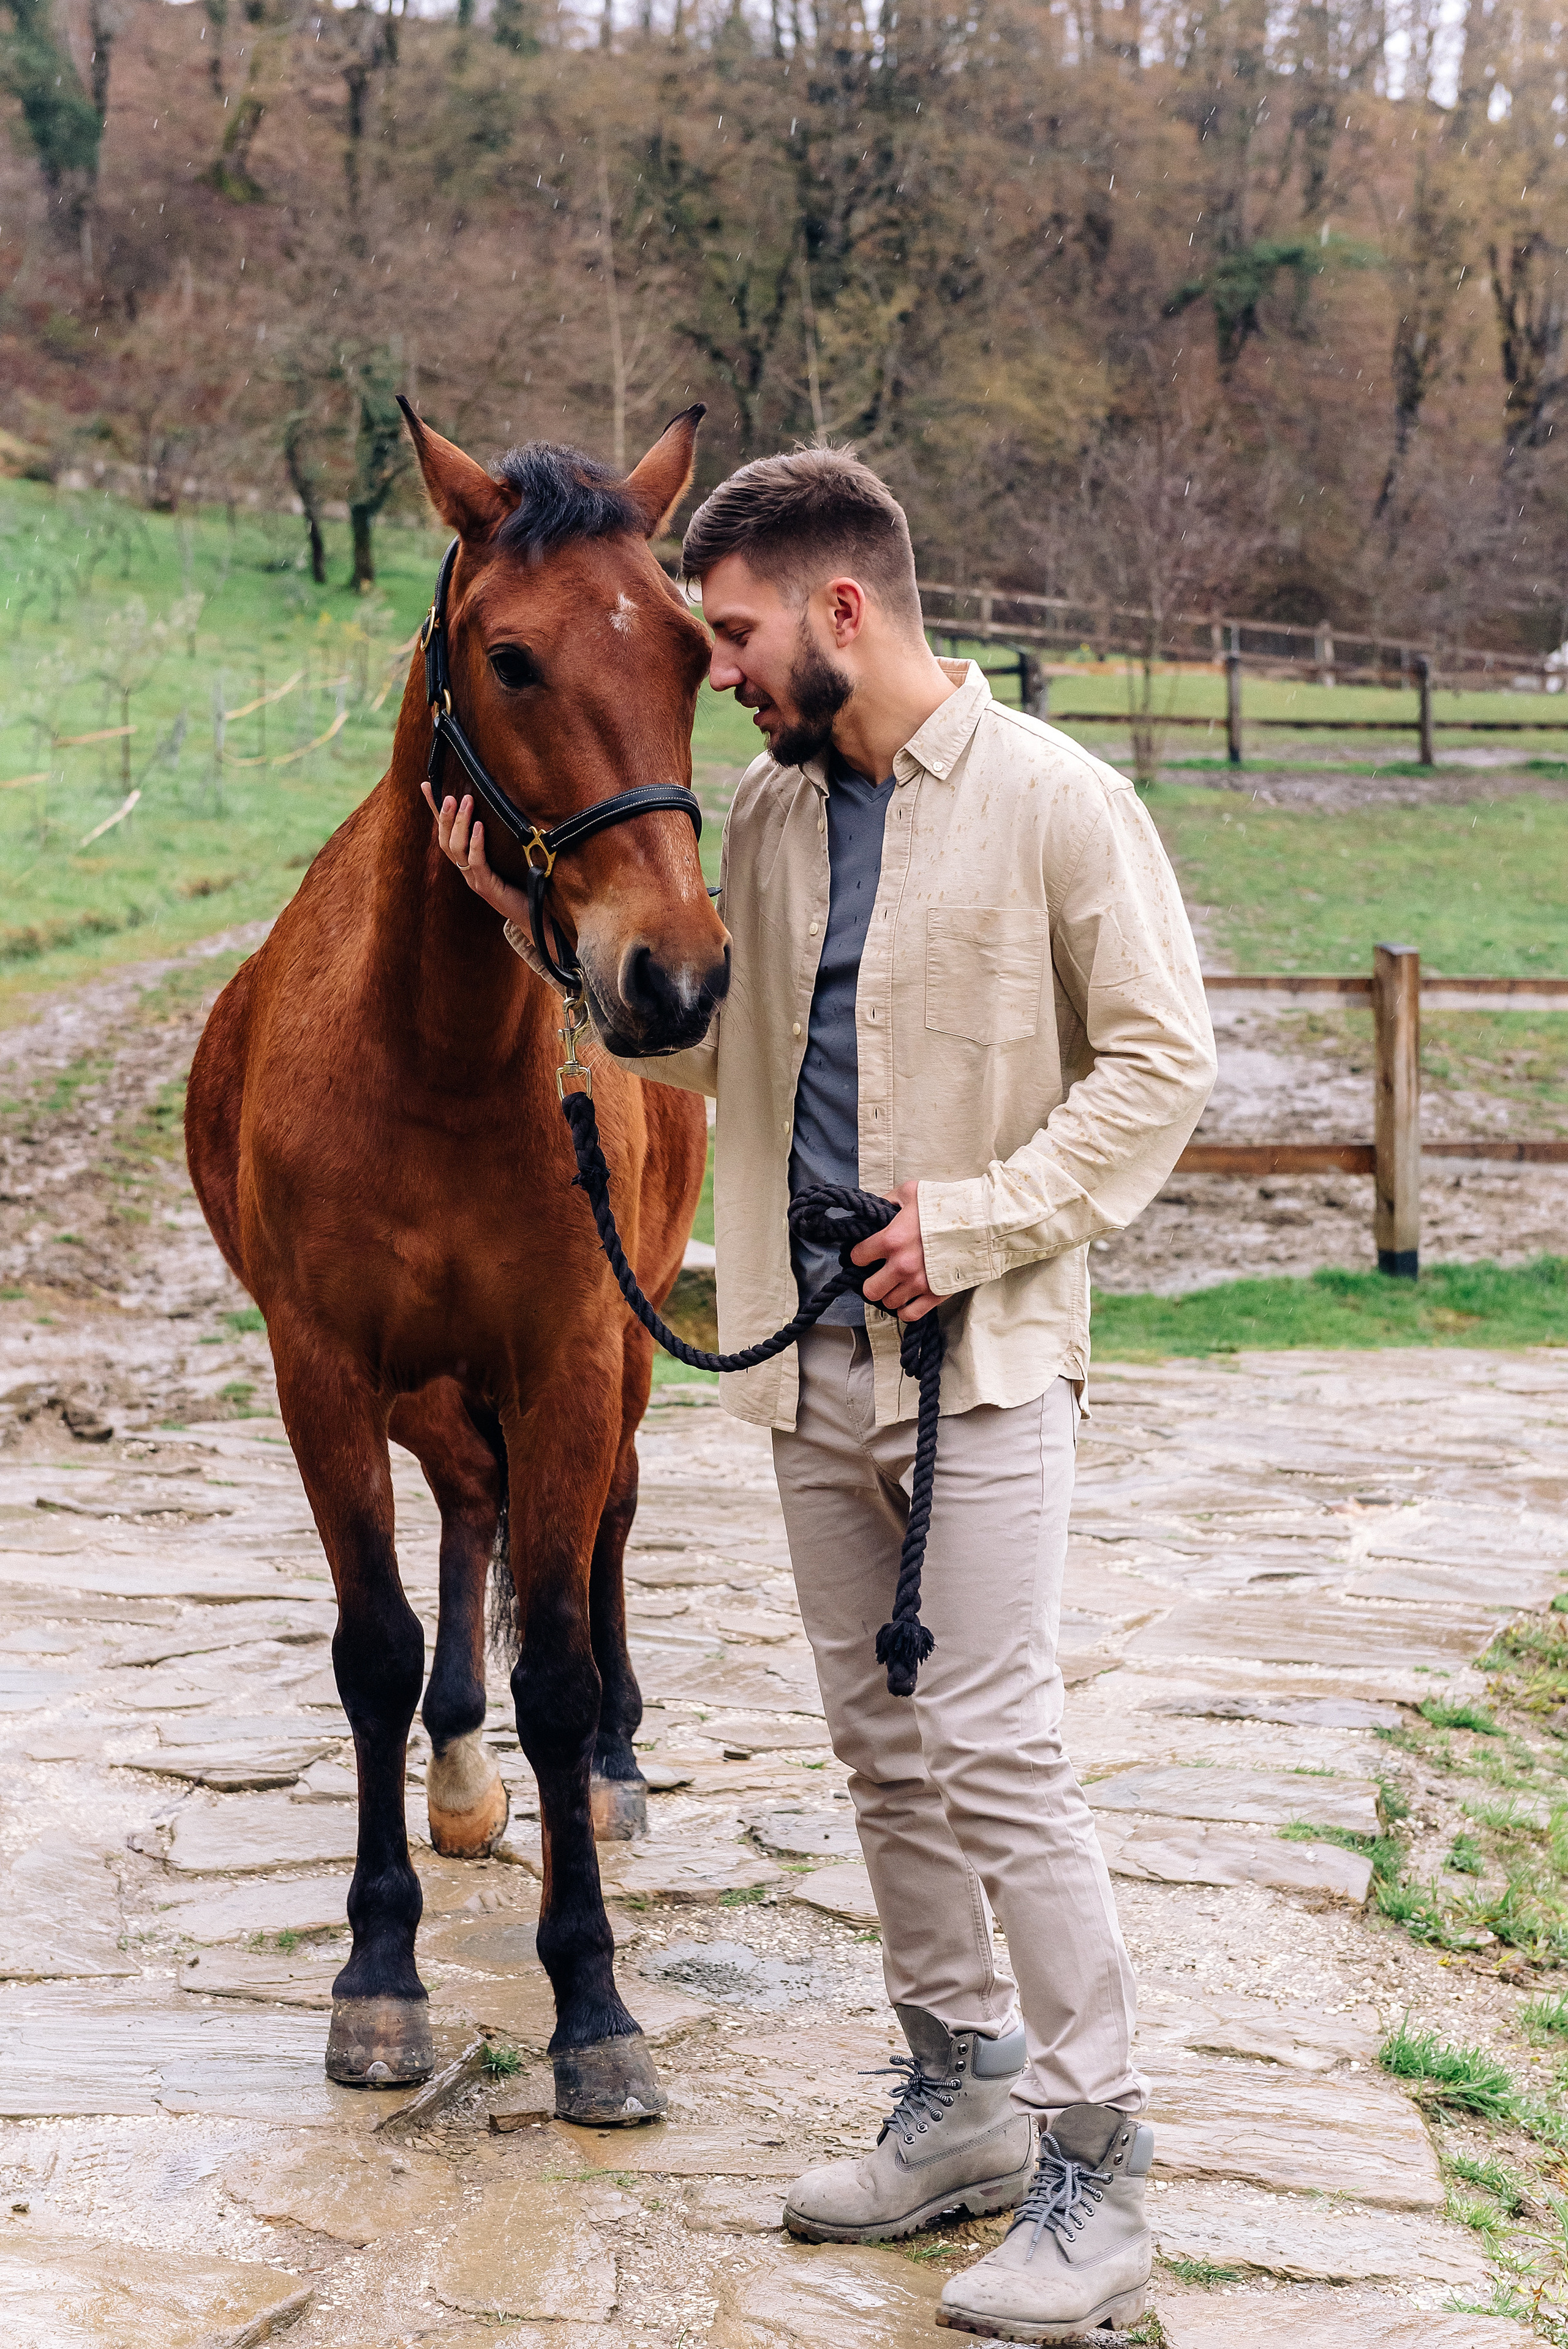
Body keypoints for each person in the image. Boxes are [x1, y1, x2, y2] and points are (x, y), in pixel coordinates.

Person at [429, 445, 1216, 2343]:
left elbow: (1163, 1061)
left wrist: (985, 1220)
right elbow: (721, 1067)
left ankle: (1099, 2166)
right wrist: (541, 934)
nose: (726, 675)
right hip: (813, 1370)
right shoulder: (773, 824)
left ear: (841, 612)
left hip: (987, 1364)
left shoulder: (1056, 803)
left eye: (741, 637)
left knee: (1000, 1746)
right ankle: (954, 2099)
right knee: (879, 1750)